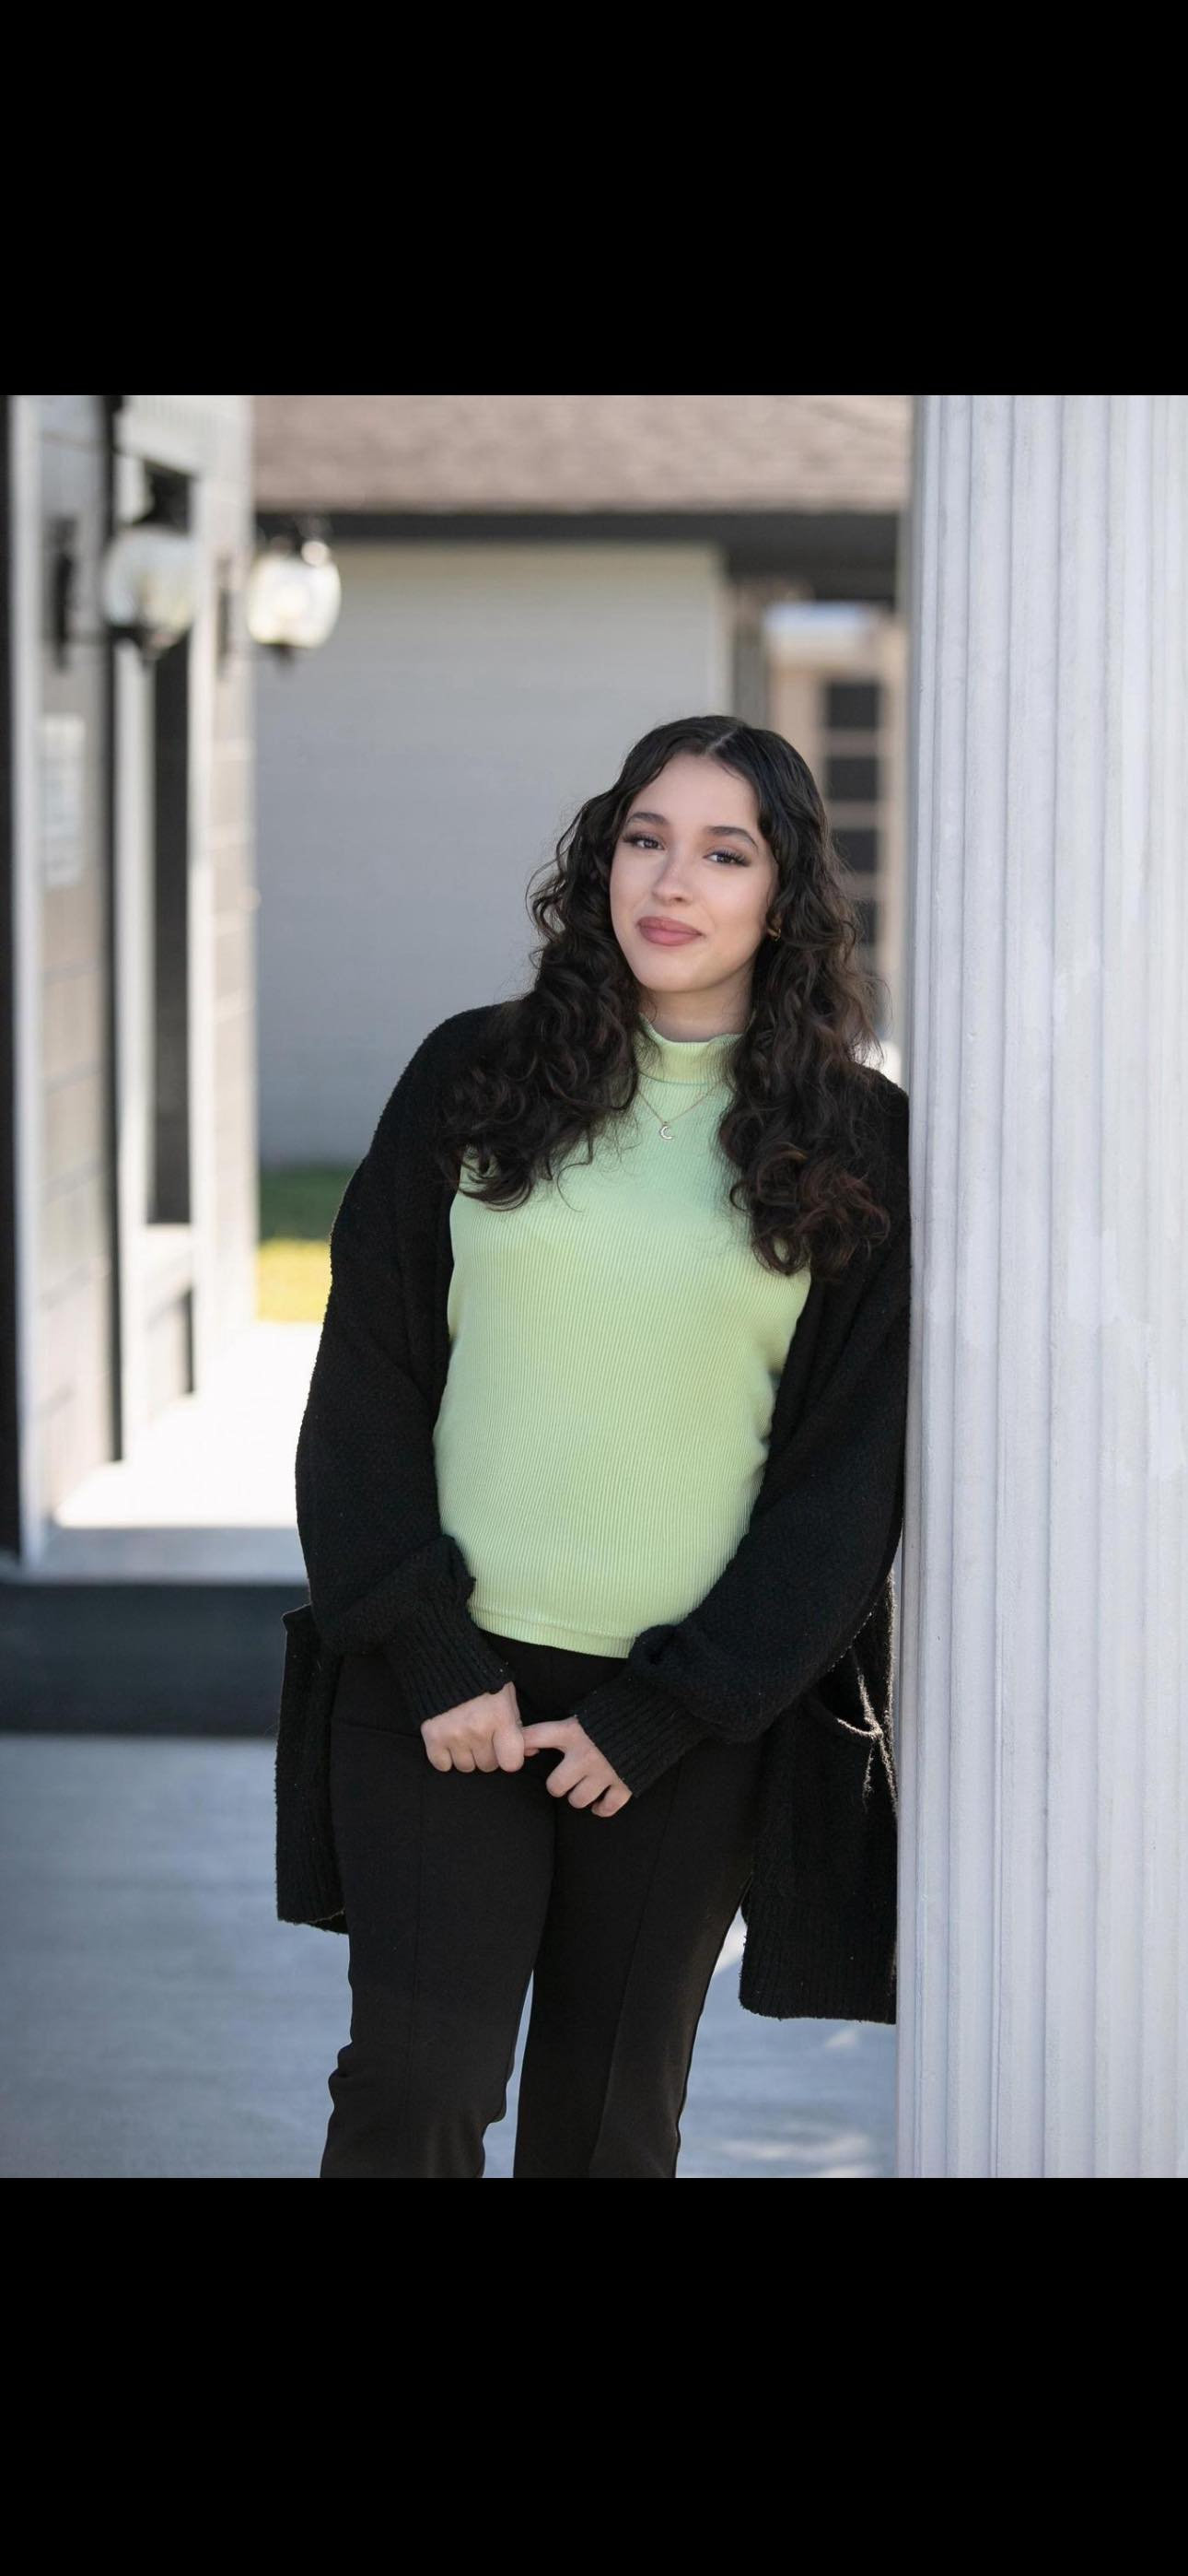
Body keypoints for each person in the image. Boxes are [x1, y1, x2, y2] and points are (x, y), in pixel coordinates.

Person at [292, 713, 910, 2179]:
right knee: (417, 2090)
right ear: (601, 860)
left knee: (605, 2135)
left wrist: (666, 1715)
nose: (670, 881)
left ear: (783, 895)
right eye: (644, 838)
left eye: (722, 852)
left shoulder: (853, 1138)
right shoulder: (475, 1073)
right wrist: (431, 1656)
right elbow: (365, 1383)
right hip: (441, 1689)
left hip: (678, 1727)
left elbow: (845, 1480)